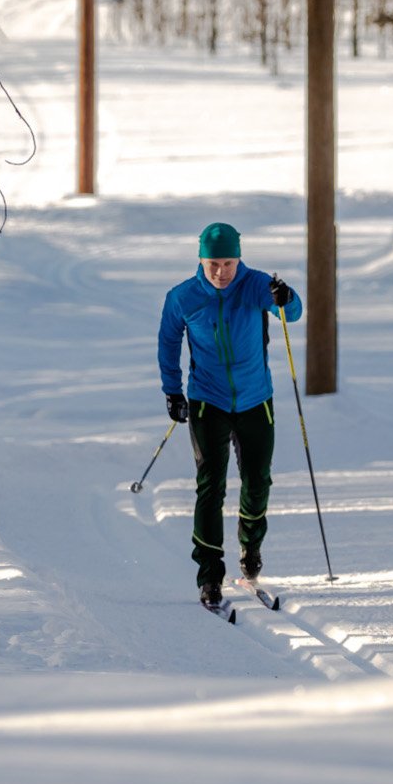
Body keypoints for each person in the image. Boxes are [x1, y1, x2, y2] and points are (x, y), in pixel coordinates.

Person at [158, 221, 302, 611]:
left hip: (256, 399)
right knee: (211, 485)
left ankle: (251, 547)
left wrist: (286, 297)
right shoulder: (183, 297)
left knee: (257, 481)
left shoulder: (256, 285)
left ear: (239, 259)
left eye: (228, 263)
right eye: (213, 264)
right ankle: (209, 574)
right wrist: (172, 390)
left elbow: (291, 313)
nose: (221, 272)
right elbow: (168, 342)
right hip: (208, 401)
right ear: (200, 260)